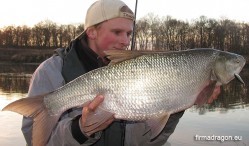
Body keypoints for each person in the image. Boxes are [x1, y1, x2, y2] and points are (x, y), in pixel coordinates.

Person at [21, 0, 221, 145]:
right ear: (91, 31)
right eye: (117, 32)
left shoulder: (145, 73)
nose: (126, 41)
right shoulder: (51, 71)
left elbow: (150, 142)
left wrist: (178, 105)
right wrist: (80, 129)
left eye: (128, 33)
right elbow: (36, 141)